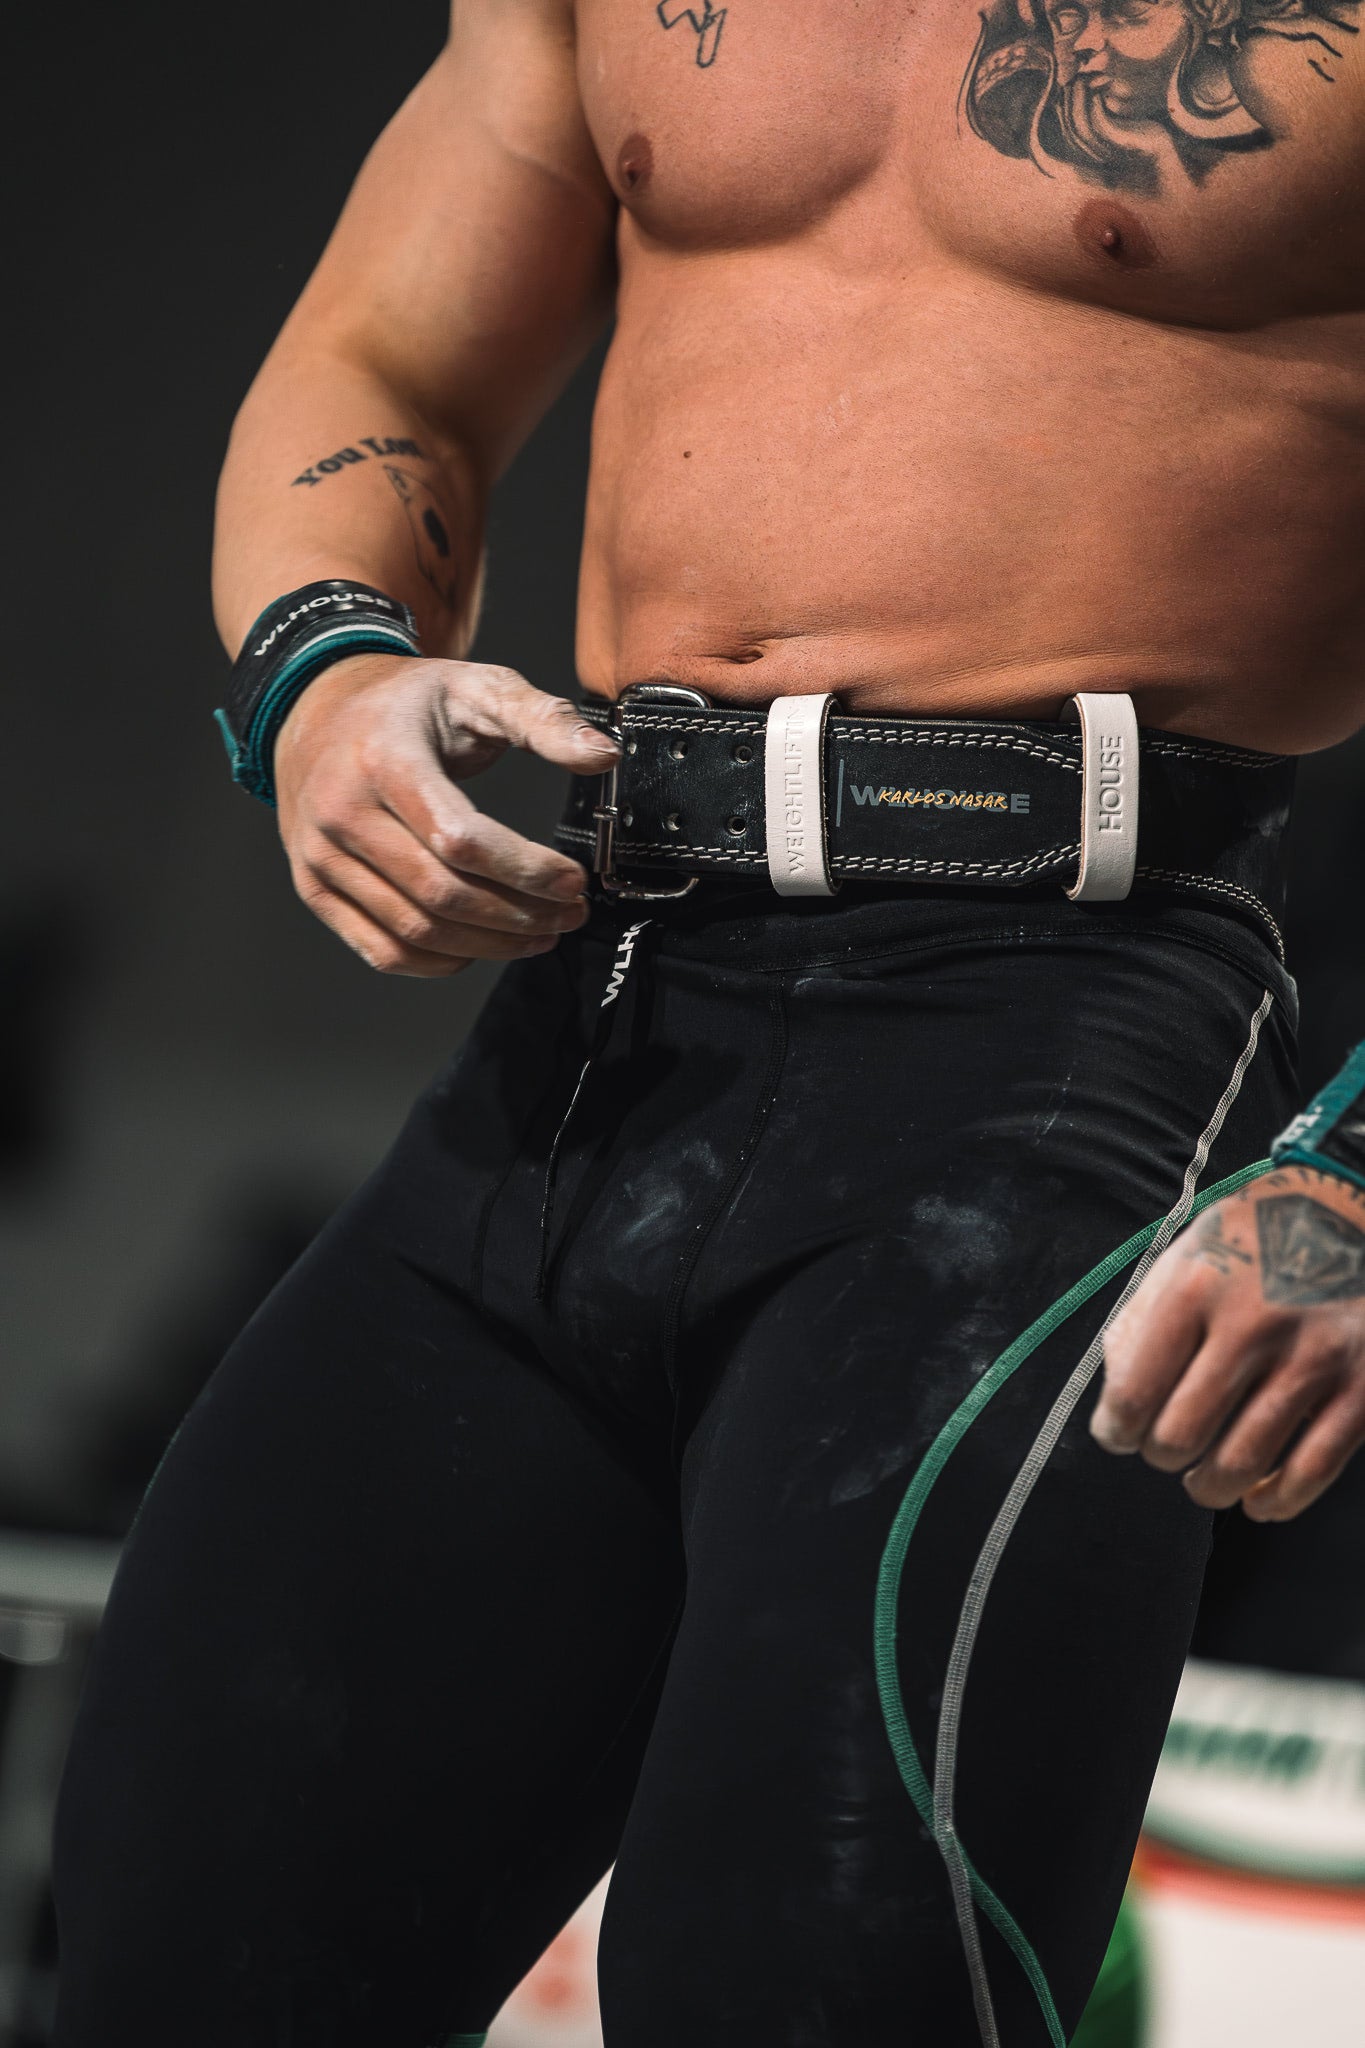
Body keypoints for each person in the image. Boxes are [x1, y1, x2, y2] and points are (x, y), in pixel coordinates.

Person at [51, 4, 1365, 2044]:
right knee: (186, 1941)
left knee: (811, 1988)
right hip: (595, 1016)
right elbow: (387, 357)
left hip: (1058, 1045)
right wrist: (326, 675)